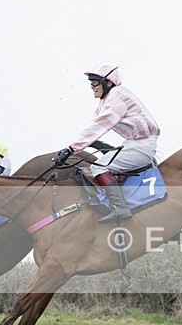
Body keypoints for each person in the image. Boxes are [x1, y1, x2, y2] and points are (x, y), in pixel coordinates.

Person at [54, 62, 160, 223]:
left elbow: (99, 125)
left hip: (142, 145)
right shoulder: (107, 100)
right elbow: (93, 124)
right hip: (133, 143)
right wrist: (87, 143)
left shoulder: (116, 99)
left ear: (108, 83)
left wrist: (71, 149)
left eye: (95, 82)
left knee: (98, 168)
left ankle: (121, 208)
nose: (92, 87)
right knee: (99, 165)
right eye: (91, 83)